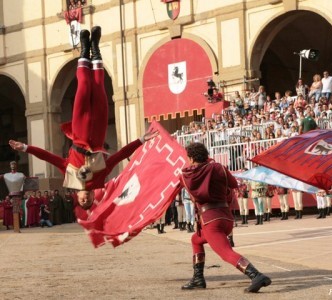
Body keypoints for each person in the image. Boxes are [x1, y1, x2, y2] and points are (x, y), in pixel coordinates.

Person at [8, 26, 158, 210]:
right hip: (99, 131)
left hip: (80, 131)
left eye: (82, 201)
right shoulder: (101, 178)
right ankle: (95, 47)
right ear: (93, 196)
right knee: (98, 86)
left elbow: (48, 157)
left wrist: (25, 147)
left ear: (77, 196)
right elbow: (120, 155)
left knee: (85, 86)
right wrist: (141, 140)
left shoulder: (69, 176)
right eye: (88, 201)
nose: (85, 199)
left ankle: (84, 48)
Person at [180, 143, 271, 293]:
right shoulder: (218, 167)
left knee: (226, 253)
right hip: (226, 218)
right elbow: (234, 184)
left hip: (210, 220)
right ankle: (198, 278)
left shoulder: (186, 175)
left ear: (190, 158)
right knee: (196, 239)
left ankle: (256, 275)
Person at [0, 161, 25, 232]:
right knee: (14, 212)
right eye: (11, 164)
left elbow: (27, 181)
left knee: (17, 211)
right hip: (12, 193)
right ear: (10, 166)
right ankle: (16, 228)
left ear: (16, 165)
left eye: (14, 164)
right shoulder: (6, 175)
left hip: (17, 194)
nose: (13, 166)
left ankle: (17, 228)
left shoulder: (21, 174)